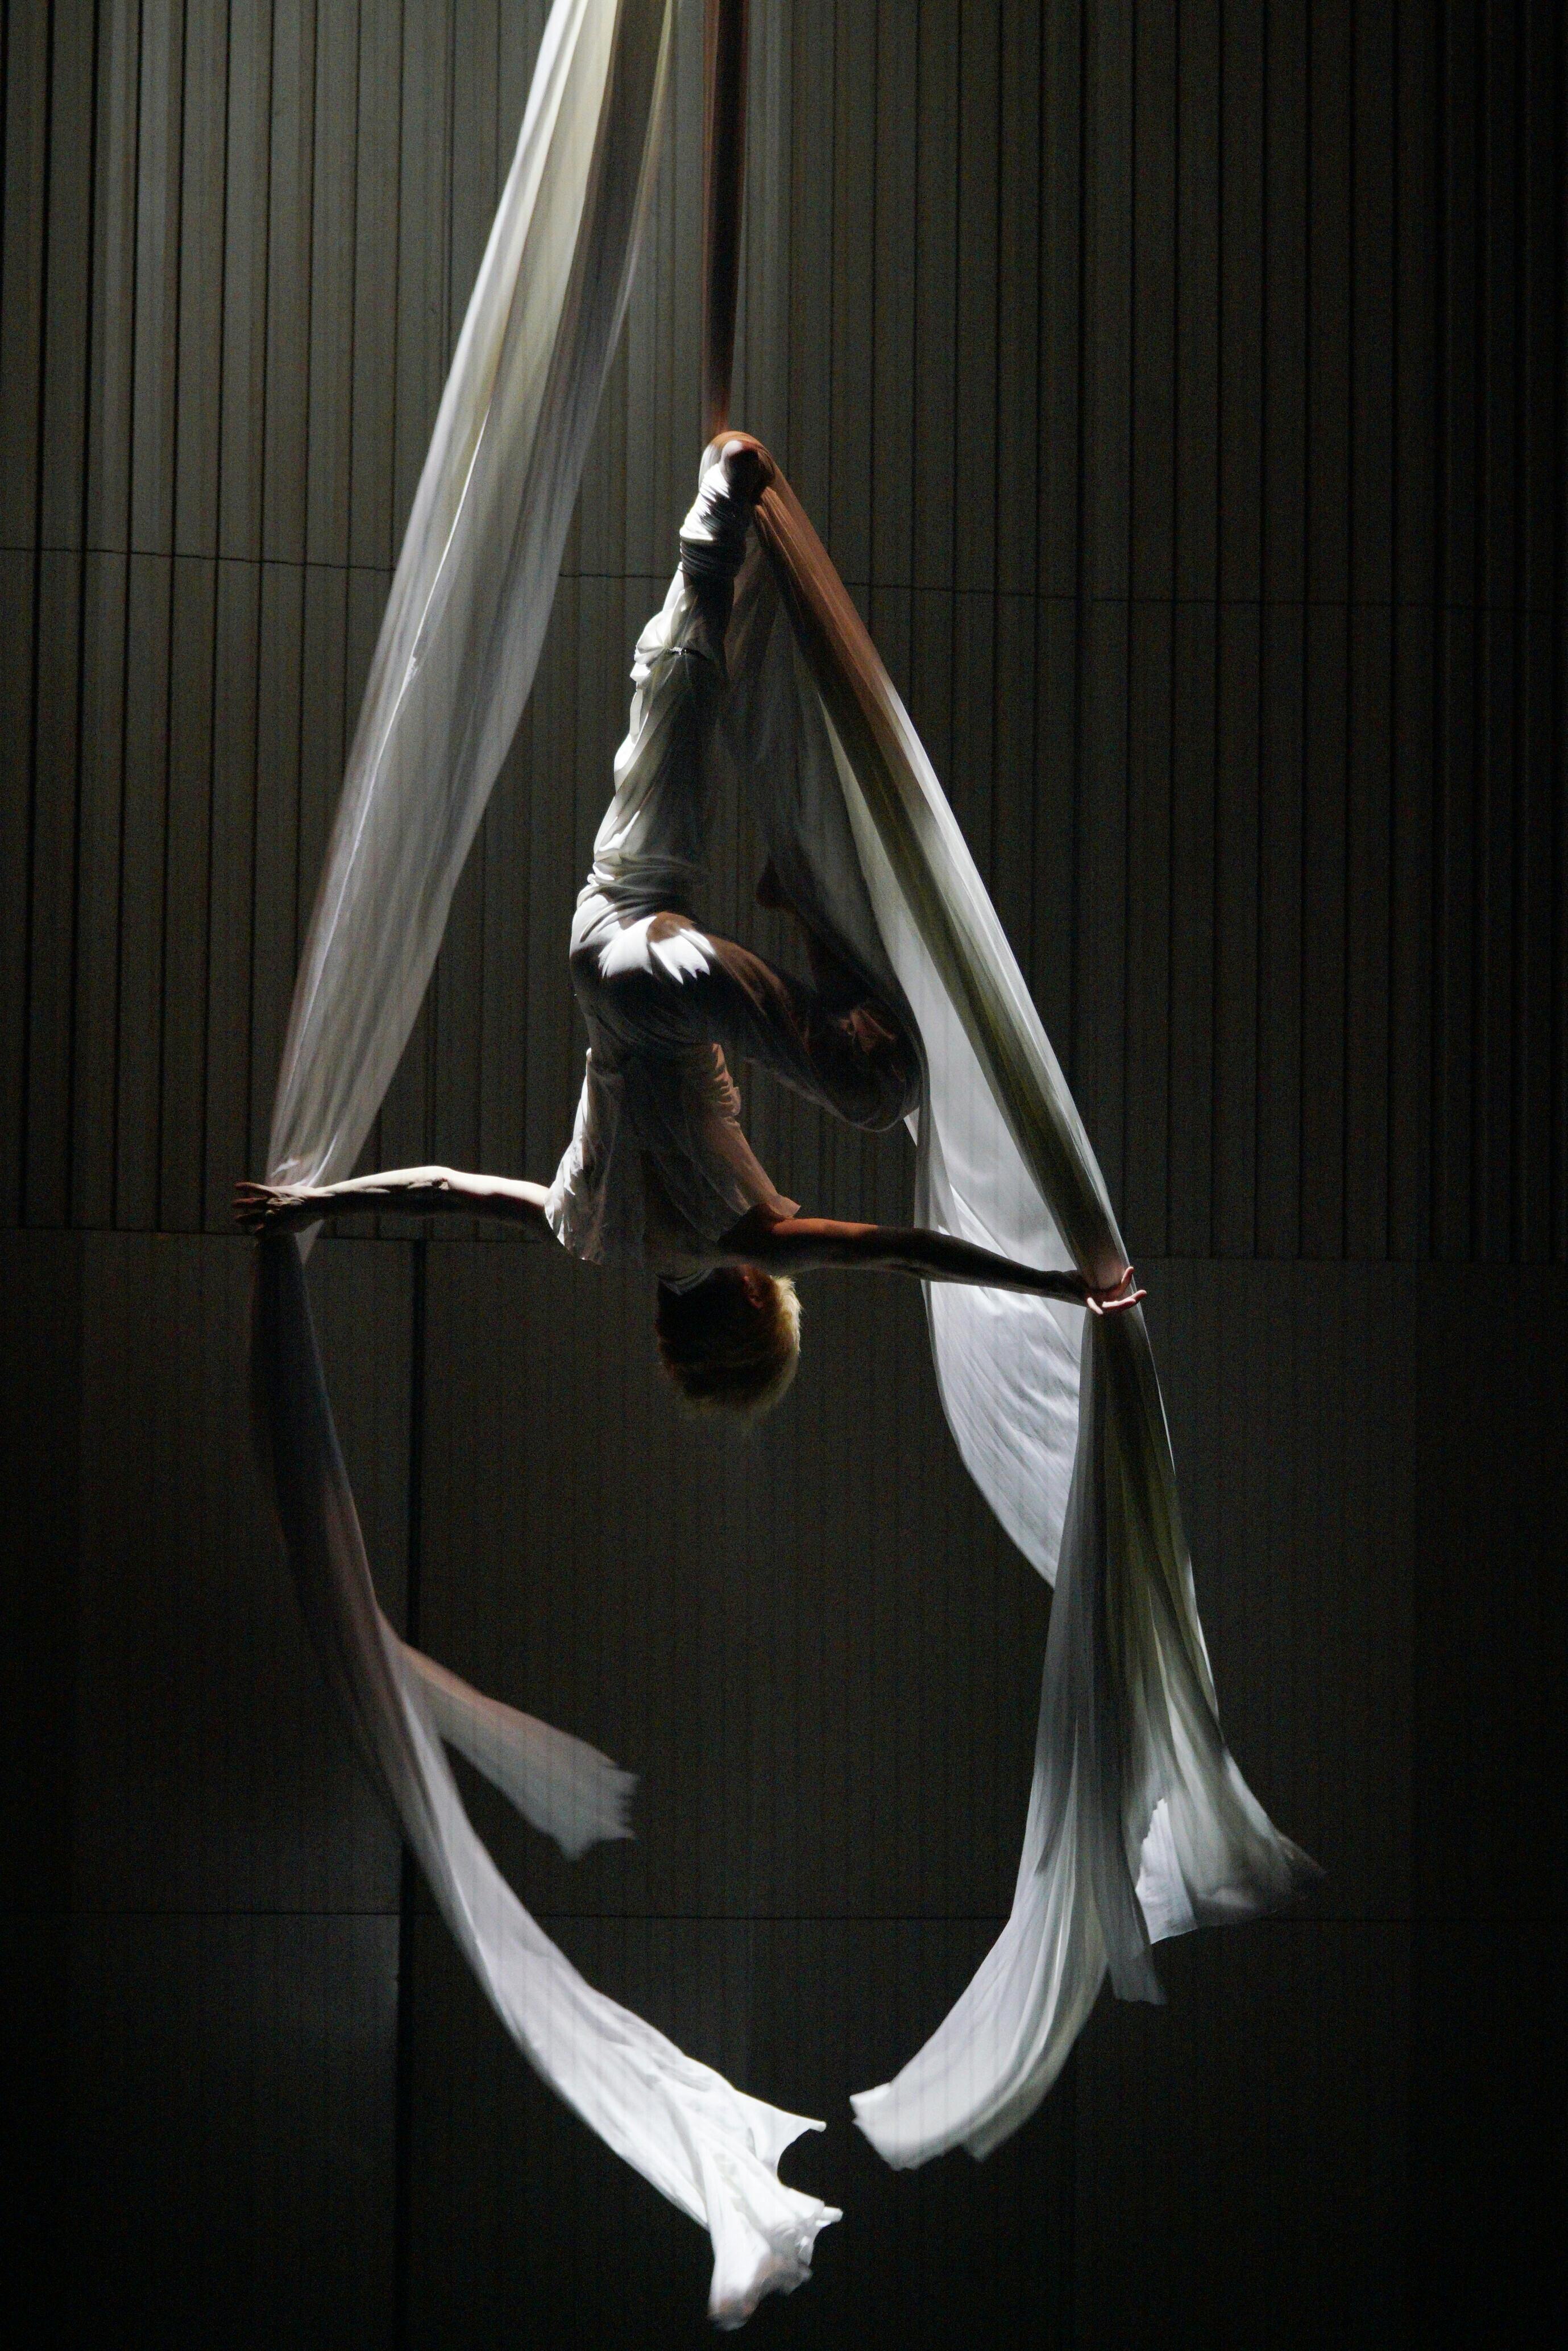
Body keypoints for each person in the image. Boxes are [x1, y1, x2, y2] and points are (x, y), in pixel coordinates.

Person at [237, 440, 1141, 1417]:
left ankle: (805, 895)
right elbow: (446, 1187)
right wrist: (314, 1201)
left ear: (752, 1298)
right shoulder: (582, 1226)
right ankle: (713, 524)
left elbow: (899, 1252)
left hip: (665, 995)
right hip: (599, 943)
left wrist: (1062, 1286)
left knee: (881, 1087)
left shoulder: (743, 1241)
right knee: (659, 738)